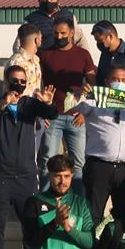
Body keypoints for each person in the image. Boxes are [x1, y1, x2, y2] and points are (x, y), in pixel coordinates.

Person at [0, 66, 58, 249]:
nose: (19, 85)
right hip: (2, 175)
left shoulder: (29, 104)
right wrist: (5, 102)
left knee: (30, 225)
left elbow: (51, 113)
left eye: (23, 81)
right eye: (15, 81)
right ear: (7, 83)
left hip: (26, 176)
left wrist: (46, 102)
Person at [75, 66, 125, 226]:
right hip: (99, 167)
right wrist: (82, 94)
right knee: (92, 215)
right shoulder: (93, 100)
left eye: (123, 80)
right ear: (106, 81)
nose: (119, 83)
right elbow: (72, 106)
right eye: (115, 79)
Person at [39, 17, 96, 190]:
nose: (59, 36)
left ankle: (77, 207)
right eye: (56, 33)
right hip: (52, 117)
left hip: (76, 117)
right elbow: (37, 84)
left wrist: (85, 112)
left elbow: (93, 85)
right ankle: (45, 206)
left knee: (78, 163)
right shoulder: (45, 54)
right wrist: (42, 113)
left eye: (63, 33)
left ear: (72, 33)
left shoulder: (83, 54)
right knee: (47, 162)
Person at [23, 0, 88, 51]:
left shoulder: (69, 16)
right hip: (42, 60)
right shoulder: (31, 19)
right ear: (39, 0)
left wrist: (85, 58)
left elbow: (80, 40)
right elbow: (20, 44)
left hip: (67, 58)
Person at [8, 22, 44, 95]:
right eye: (41, 38)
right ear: (37, 40)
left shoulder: (35, 60)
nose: (41, 40)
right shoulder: (17, 62)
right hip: (21, 105)